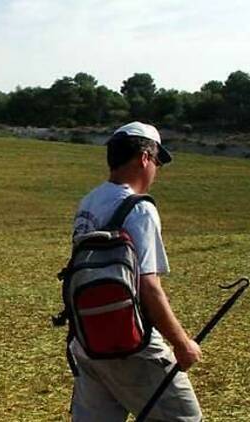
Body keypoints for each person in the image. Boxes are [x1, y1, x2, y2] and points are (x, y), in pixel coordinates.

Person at [69, 122, 202, 421]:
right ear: (144, 158)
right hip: (131, 342)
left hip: (86, 339)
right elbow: (147, 286)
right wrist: (182, 344)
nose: (155, 170)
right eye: (156, 161)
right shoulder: (139, 208)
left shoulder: (89, 201)